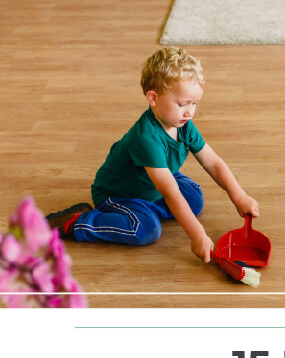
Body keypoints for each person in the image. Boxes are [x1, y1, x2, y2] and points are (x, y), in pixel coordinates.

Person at [46, 47, 259, 262]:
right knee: (146, 230)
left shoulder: (183, 124)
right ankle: (75, 222)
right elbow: (170, 192)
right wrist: (197, 234)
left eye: (194, 103)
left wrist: (238, 195)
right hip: (120, 194)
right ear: (153, 98)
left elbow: (212, 162)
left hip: (154, 183)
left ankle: (147, 209)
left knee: (194, 198)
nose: (190, 111)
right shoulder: (145, 138)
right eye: (182, 104)